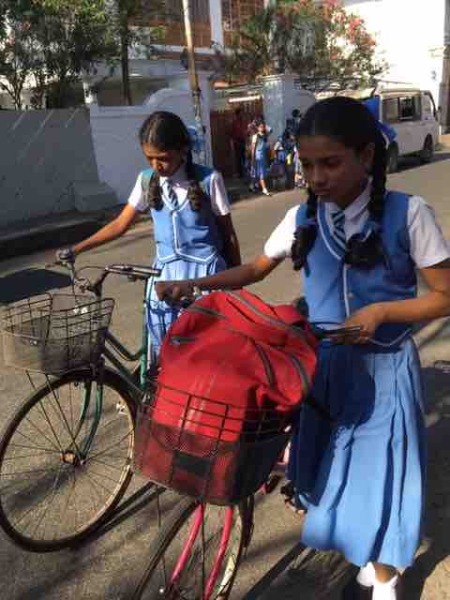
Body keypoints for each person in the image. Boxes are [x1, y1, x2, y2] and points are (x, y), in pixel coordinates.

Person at [155, 97, 450, 600]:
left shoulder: (409, 214)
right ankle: (367, 557)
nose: (316, 176)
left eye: (330, 163)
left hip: (383, 372)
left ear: (367, 156)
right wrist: (200, 285)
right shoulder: (301, 218)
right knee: (328, 474)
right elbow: (253, 271)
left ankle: (385, 577)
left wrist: (382, 314)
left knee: (376, 478)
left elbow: (444, 296)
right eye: (308, 164)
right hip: (320, 370)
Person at [57, 110, 241, 361]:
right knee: (167, 351)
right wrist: (78, 249)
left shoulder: (210, 180)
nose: (156, 165)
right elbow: (120, 225)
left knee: (207, 353)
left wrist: (236, 281)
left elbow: (228, 234)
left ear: (182, 150)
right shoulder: (146, 181)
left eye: (163, 158)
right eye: (150, 158)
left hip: (205, 279)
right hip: (163, 279)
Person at [250, 119, 271, 196]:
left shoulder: (264, 136)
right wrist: (252, 158)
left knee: (258, 172)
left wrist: (264, 125)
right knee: (260, 172)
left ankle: (253, 185)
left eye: (263, 126)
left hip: (264, 156)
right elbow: (253, 148)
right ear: (257, 128)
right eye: (261, 127)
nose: (262, 128)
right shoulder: (255, 136)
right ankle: (264, 189)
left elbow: (270, 129)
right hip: (258, 157)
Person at [229, 107, 247, 178]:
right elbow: (231, 133)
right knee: (238, 158)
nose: (241, 115)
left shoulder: (243, 121)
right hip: (237, 141)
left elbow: (246, 131)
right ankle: (240, 173)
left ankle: (245, 172)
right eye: (240, 113)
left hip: (243, 140)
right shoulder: (234, 122)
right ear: (237, 114)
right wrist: (233, 142)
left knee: (244, 157)